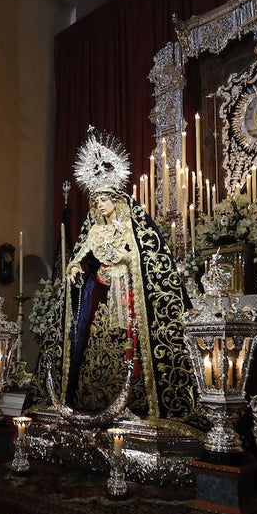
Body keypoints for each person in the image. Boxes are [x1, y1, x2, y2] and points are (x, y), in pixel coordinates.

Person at [40, 127, 199, 422]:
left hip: (128, 294)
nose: (99, 205)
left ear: (116, 199)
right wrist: (74, 270)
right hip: (100, 294)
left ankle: (138, 399)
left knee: (131, 343)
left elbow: (145, 256)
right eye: (96, 201)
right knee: (93, 343)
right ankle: (91, 399)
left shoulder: (132, 227)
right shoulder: (95, 231)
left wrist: (125, 259)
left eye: (103, 199)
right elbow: (77, 259)